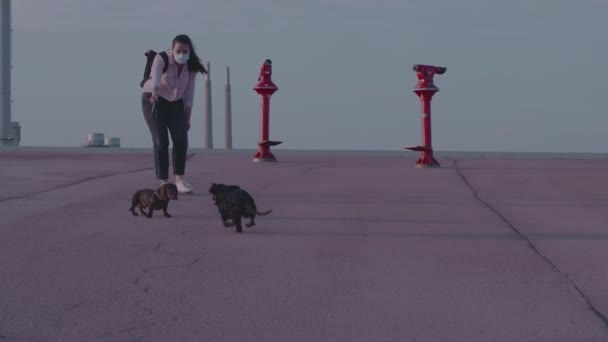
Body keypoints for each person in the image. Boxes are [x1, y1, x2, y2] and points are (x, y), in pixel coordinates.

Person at [141, 34, 207, 193]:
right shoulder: (161, 58)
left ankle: (179, 180)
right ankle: (163, 182)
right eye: (179, 51)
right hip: (153, 99)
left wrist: (188, 117)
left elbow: (189, 94)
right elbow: (156, 78)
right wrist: (155, 92)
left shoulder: (190, 66)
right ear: (172, 49)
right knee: (161, 141)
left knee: (181, 138)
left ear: (190, 52)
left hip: (176, 102)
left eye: (185, 51)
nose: (182, 55)